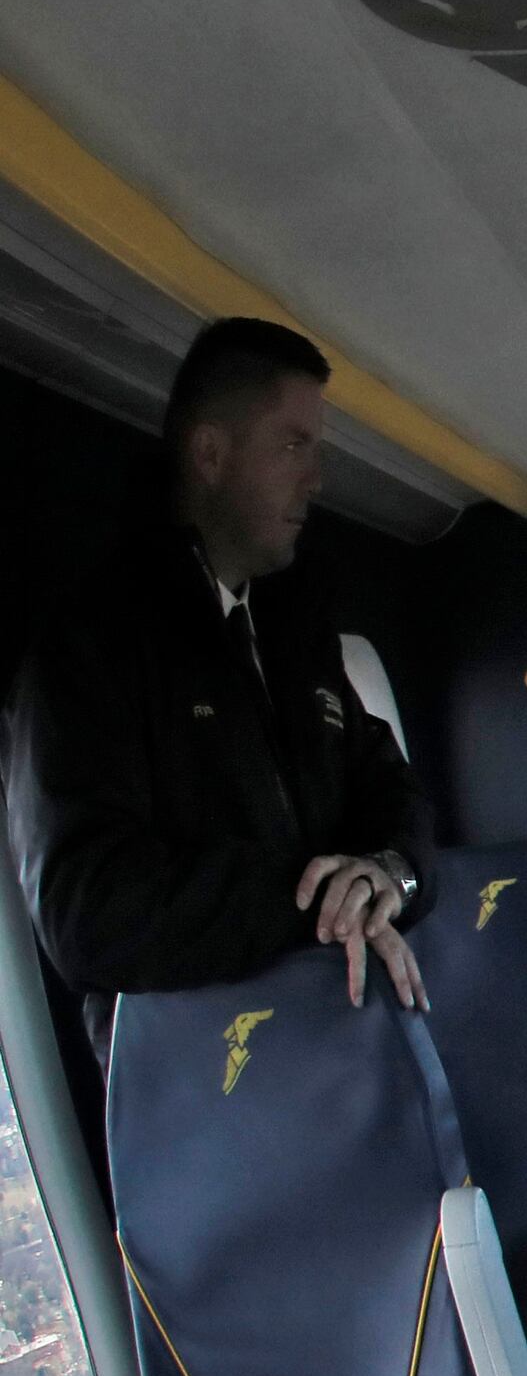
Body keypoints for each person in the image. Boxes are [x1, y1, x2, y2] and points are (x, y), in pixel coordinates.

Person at [10, 317, 435, 1045]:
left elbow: (395, 792)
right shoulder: (95, 643)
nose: (317, 477)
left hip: (337, 1052)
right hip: (202, 1085)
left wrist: (388, 875)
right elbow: (86, 909)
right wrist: (316, 903)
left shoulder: (299, 641)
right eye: (294, 444)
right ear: (211, 453)